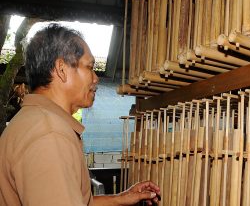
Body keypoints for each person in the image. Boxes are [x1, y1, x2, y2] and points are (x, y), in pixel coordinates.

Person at [0, 23, 160, 206]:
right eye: (89, 67)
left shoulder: (33, 120)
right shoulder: (49, 135)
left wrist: (120, 198)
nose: (95, 78)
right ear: (62, 69)